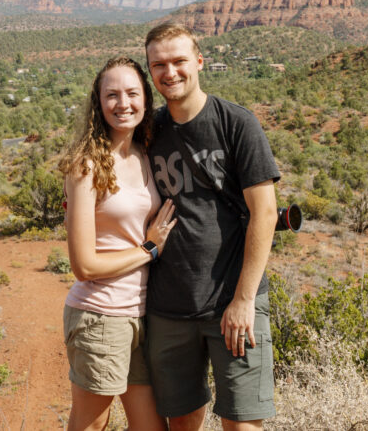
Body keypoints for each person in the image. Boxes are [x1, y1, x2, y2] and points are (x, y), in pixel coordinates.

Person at [143, 23, 281, 430]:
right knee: (183, 423)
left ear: (199, 61)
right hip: (169, 307)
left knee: (242, 422)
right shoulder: (148, 131)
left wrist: (243, 301)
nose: (170, 72)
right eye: (159, 64)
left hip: (233, 302)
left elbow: (266, 214)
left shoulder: (236, 124)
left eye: (179, 61)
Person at [59, 56, 178, 431]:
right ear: (98, 102)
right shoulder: (86, 166)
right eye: (111, 95)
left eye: (131, 93)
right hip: (100, 315)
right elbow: (85, 266)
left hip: (142, 316)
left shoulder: (145, 155)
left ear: (145, 99)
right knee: (92, 425)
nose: (122, 103)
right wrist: (149, 248)